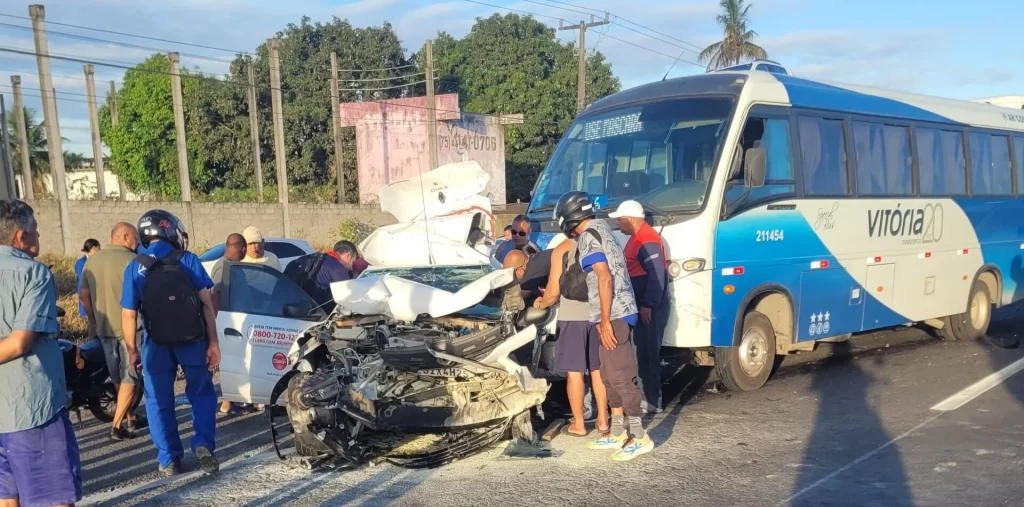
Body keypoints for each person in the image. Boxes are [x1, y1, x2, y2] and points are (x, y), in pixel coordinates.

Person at [121, 210, 221, 477]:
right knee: (201, 393)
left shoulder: (135, 266)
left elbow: (129, 314)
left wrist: (132, 349)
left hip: (155, 344)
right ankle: (203, 444)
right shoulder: (187, 259)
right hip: (192, 340)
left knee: (158, 400)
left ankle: (168, 458)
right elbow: (207, 304)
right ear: (171, 232)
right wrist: (213, 342)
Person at [554, 191, 652, 461]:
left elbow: (604, 278)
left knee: (620, 375)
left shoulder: (588, 236)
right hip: (607, 314)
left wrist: (606, 321)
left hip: (615, 314)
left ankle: (639, 436)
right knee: (607, 375)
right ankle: (617, 431)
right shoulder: (602, 229)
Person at [0, 199, 82, 507]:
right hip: (31, 409)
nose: (38, 237)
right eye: (35, 231)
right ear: (21, 237)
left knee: (7, 497)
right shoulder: (33, 274)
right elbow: (21, 342)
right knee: (54, 498)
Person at [534, 235, 609, 438]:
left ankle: (579, 424)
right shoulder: (599, 243)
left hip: (572, 316)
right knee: (597, 369)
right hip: (597, 314)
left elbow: (553, 291)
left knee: (575, 372)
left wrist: (541, 303)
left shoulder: (562, 248)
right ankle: (603, 420)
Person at [80, 222, 147, 440]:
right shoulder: (133, 262)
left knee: (117, 375)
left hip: (104, 329)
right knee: (131, 376)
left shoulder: (92, 261)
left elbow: (83, 295)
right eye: (135, 237)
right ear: (126, 237)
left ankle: (130, 417)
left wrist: (93, 319)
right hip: (130, 329)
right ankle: (117, 426)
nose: (137, 242)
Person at [610, 200, 669, 414]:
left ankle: (652, 400)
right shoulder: (637, 238)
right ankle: (645, 397)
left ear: (632, 219)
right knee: (640, 351)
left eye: (620, 219)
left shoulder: (647, 239)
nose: (617, 223)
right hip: (640, 304)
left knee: (647, 352)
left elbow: (657, 275)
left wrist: (648, 304)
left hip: (649, 306)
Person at [76, 238, 101, 317]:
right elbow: (83, 279)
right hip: (86, 296)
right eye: (99, 248)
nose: (100, 251)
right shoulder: (81, 263)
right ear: (94, 248)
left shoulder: (97, 260)